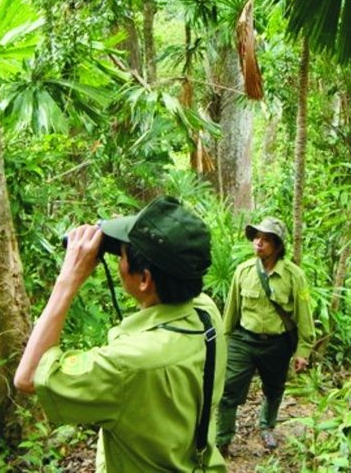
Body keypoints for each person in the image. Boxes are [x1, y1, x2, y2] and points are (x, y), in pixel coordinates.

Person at [14, 196, 228, 472]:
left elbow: (28, 377)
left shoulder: (128, 364)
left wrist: (68, 278)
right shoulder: (206, 312)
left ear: (144, 279)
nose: (119, 263)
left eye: (122, 255)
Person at [216, 216, 315, 455]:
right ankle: (223, 439)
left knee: (274, 388)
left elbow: (304, 315)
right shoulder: (244, 271)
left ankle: (267, 426)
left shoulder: (294, 276)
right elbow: (231, 311)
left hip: (276, 344)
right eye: (257, 238)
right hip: (243, 340)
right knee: (229, 390)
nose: (259, 243)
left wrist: (303, 350)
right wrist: (222, 342)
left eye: (266, 240)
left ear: (278, 246)